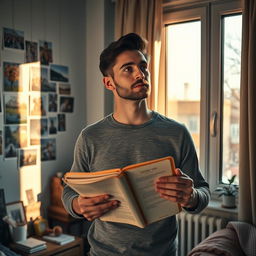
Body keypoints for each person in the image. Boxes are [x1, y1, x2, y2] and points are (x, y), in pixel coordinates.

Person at [62, 33, 210, 256]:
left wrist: (191, 197)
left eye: (143, 67)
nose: (140, 74)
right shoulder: (90, 137)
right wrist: (78, 206)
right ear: (109, 82)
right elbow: (69, 191)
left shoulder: (176, 133)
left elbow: (202, 192)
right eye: (128, 69)